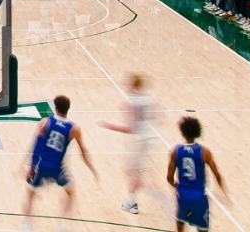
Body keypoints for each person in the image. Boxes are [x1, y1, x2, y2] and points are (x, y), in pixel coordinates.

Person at [22, 94, 97, 223]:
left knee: (30, 195)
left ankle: (26, 226)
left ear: (55, 108)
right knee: (71, 193)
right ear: (68, 109)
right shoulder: (75, 129)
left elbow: (35, 146)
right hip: (57, 168)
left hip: (40, 165)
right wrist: (92, 169)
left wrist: (29, 166)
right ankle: (61, 224)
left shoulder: (45, 122)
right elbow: (83, 151)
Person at [101, 74, 154, 214]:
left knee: (131, 172)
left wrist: (109, 126)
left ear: (134, 85)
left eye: (129, 84)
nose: (126, 86)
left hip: (138, 140)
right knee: (133, 171)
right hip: (148, 138)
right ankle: (137, 193)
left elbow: (131, 128)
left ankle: (132, 203)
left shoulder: (132, 103)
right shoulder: (147, 99)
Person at [167, 116, 223, 232]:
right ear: (198, 132)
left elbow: (169, 177)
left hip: (183, 195)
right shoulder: (205, 152)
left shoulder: (175, 152)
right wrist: (222, 190)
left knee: (180, 225)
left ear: (182, 132)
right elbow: (217, 174)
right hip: (199, 197)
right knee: (202, 229)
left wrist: (176, 186)